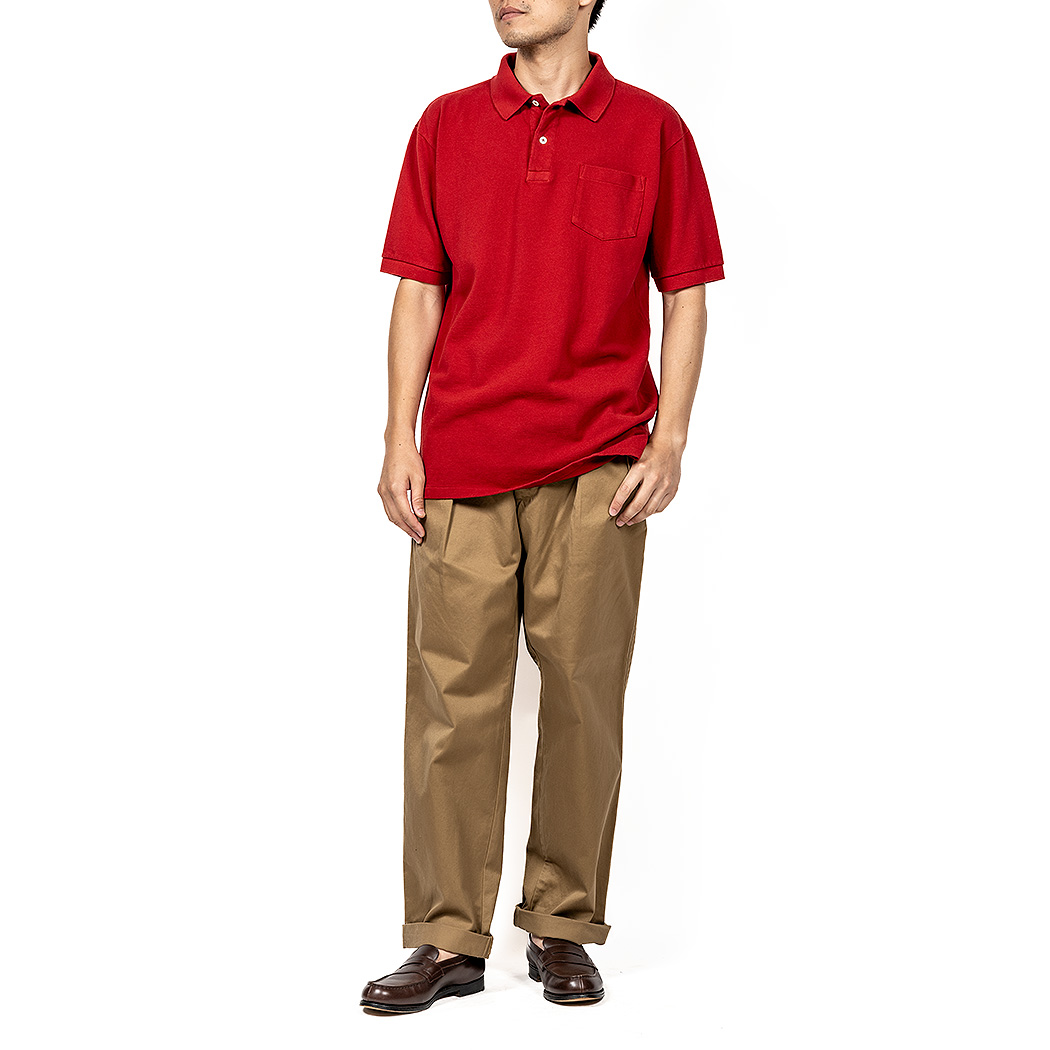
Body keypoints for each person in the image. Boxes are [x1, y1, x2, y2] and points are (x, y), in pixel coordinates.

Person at [362, 0, 724, 1013]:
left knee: (582, 699)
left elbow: (686, 291)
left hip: (600, 463)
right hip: (464, 458)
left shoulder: (653, 129)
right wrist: (399, 436)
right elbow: (418, 287)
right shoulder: (445, 125)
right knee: (450, 704)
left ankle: (563, 925)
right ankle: (445, 939)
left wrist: (670, 439)